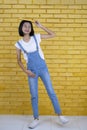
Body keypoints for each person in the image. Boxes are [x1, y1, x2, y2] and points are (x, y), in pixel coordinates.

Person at [15, 20, 69, 129]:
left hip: (43, 69)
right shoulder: (18, 44)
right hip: (31, 71)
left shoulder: (36, 37)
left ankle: (60, 115)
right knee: (34, 95)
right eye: (25, 26)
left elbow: (53, 34)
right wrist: (26, 71)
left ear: (31, 29)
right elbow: (19, 60)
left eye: (29, 26)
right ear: (21, 28)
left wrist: (41, 26)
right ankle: (36, 119)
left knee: (51, 92)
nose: (27, 28)